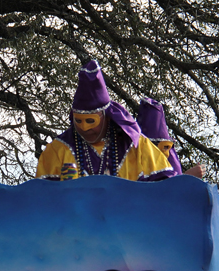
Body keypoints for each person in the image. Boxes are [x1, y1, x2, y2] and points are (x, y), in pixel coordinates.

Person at [36, 60, 174, 181]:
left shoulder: (136, 146)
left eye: (90, 121)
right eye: (78, 121)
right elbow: (42, 198)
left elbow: (164, 187)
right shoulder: (57, 150)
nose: (84, 128)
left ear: (105, 116)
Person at [137, 97, 204, 178]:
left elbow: (173, 183)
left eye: (166, 147)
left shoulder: (170, 153)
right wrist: (187, 178)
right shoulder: (133, 158)